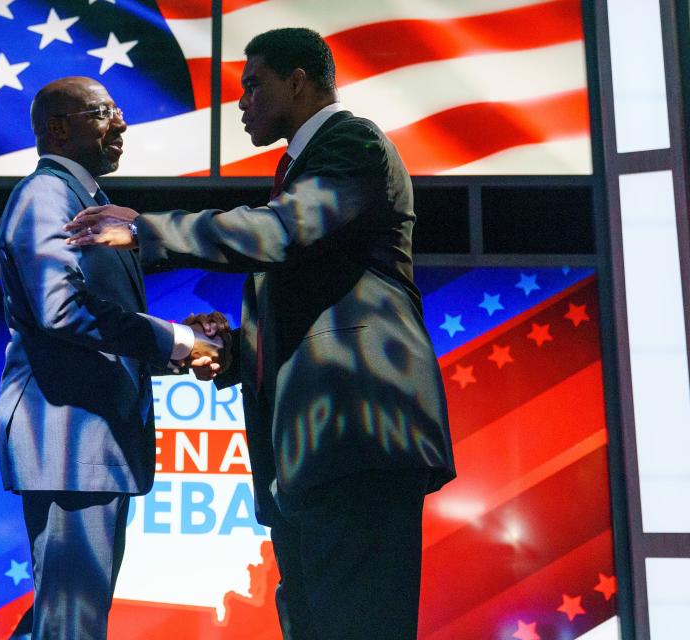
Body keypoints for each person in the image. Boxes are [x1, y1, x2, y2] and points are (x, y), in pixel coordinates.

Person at [65, 29, 455, 640]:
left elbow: (281, 232)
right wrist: (234, 352)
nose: (241, 101)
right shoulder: (298, 169)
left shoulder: (352, 142)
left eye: (253, 85)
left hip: (358, 440)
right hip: (312, 456)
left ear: (299, 81)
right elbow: (311, 300)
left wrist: (149, 229)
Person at [0, 76, 225, 640]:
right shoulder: (47, 194)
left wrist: (179, 339)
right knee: (71, 622)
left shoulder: (85, 202)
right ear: (57, 127)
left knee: (67, 617)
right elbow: (62, 310)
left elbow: (99, 321)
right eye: (104, 113)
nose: (121, 124)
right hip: (70, 438)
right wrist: (173, 340)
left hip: (86, 440)